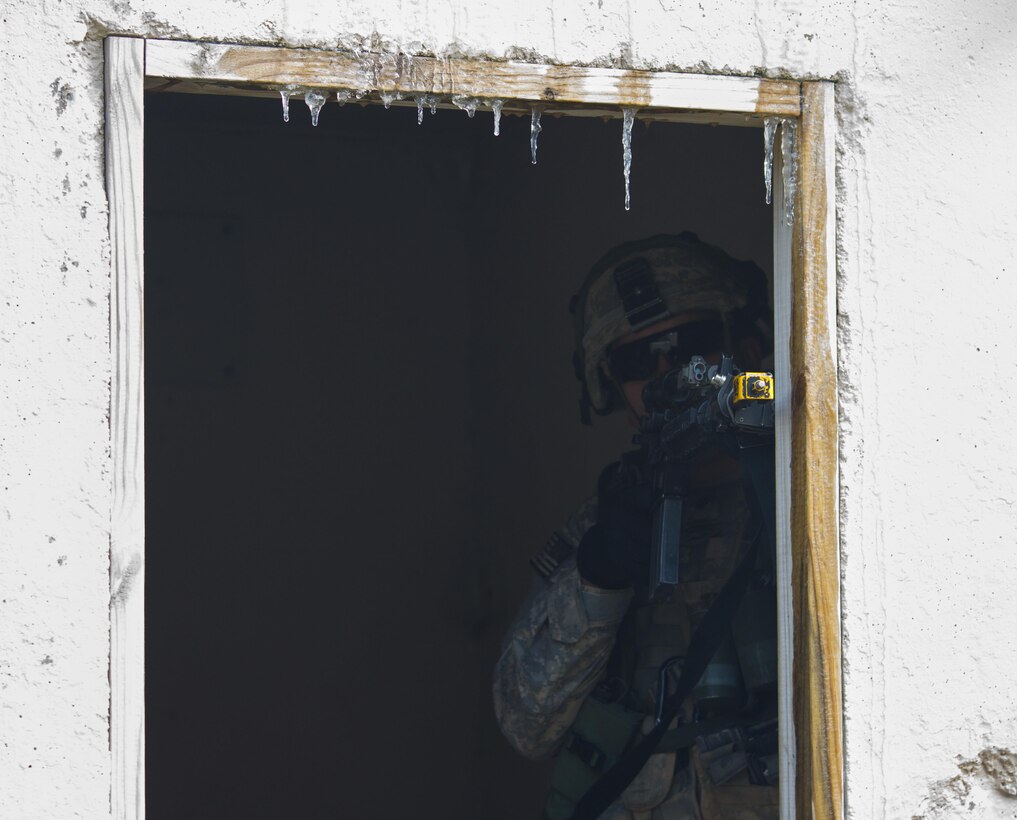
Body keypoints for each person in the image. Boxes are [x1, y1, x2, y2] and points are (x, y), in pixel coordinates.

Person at [493, 233, 780, 820]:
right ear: (610, 384)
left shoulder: (806, 494)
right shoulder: (602, 522)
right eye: (635, 361)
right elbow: (526, 725)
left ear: (744, 344)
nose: (665, 373)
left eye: (689, 345)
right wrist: (598, 581)